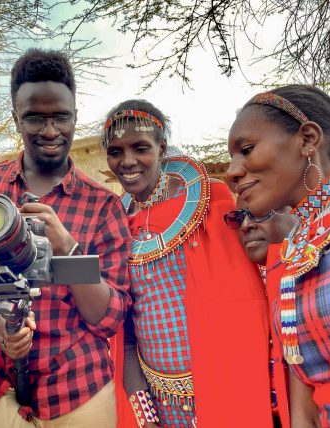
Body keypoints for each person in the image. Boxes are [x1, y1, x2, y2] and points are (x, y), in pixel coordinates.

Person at [0, 49, 131, 427]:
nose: (49, 131)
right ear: (15, 119)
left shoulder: (103, 205)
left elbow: (108, 318)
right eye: (34, 118)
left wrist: (68, 251)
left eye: (61, 117)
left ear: (75, 116)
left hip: (78, 391)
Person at [104, 99, 274, 427]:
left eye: (140, 148)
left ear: (162, 147)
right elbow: (123, 329)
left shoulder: (216, 203)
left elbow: (249, 290)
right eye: (115, 152)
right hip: (158, 396)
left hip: (228, 385)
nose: (128, 162)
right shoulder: (115, 225)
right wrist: (145, 413)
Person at [226, 84, 330, 427]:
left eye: (247, 150)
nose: (232, 171)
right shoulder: (291, 251)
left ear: (307, 139)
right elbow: (305, 399)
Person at [225, 201, 298, 428]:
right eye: (238, 218)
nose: (246, 225)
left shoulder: (317, 275)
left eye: (260, 214)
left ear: (297, 211)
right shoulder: (230, 289)